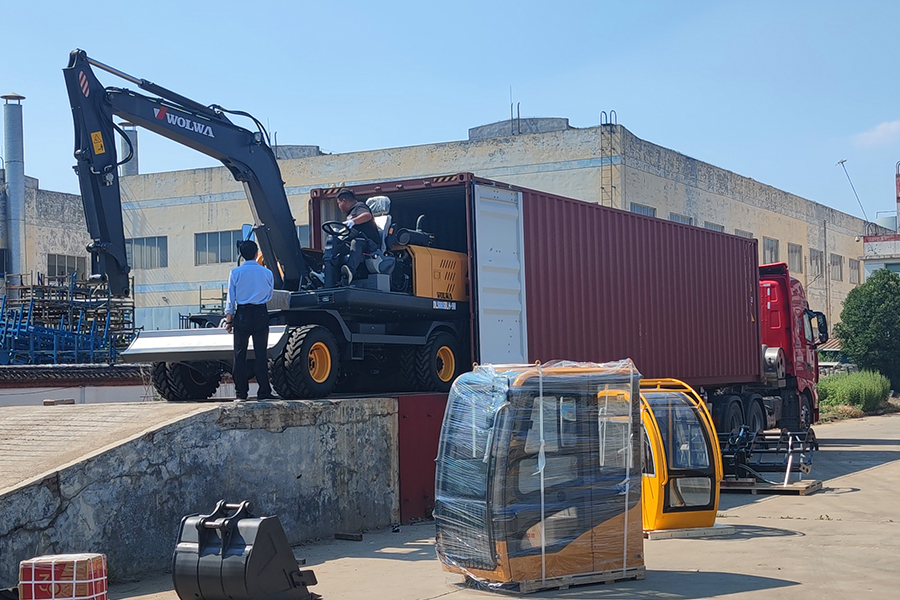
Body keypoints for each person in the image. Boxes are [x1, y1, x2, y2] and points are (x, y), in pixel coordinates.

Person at [224, 240, 275, 401]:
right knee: (261, 354)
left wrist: (229, 320)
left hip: (242, 313)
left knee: (240, 354)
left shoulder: (235, 273)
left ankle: (241, 393)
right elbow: (270, 294)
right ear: (256, 253)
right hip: (260, 313)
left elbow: (231, 299)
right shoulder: (267, 272)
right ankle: (264, 392)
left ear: (242, 255)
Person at [324, 188, 381, 286]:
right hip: (356, 243)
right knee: (335, 244)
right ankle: (326, 274)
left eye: (338, 203)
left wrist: (353, 221)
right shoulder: (350, 213)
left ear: (344, 201)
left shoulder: (359, 206)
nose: (339, 206)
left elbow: (367, 215)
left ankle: (349, 273)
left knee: (356, 242)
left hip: (369, 244)